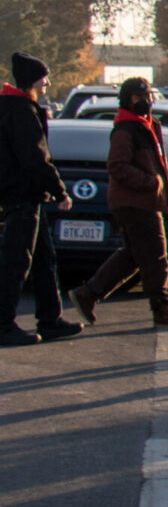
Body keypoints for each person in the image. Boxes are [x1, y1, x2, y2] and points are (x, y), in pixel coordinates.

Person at [70, 77, 168, 328]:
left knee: (133, 255)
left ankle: (88, 294)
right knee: (156, 255)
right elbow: (116, 166)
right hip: (135, 202)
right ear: (128, 101)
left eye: (148, 97)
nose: (146, 102)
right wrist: (149, 183)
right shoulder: (126, 129)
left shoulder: (145, 126)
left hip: (142, 201)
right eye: (140, 98)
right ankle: (162, 307)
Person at [1, 52, 81, 346]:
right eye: (43, 78)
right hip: (22, 196)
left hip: (30, 196)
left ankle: (50, 320)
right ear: (31, 81)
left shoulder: (18, 107)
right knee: (15, 263)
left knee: (44, 260)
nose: (47, 83)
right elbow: (35, 158)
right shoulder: (20, 111)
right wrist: (60, 191)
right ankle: (4, 324)